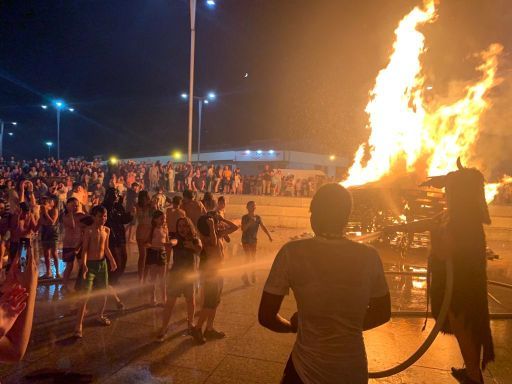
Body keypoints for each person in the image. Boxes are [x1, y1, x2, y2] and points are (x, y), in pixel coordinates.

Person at [259, 183, 391, 384]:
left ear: (314, 216)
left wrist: (295, 326)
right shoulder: (369, 256)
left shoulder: (292, 253)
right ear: (347, 217)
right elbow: (382, 312)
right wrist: (347, 325)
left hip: (304, 371)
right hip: (352, 371)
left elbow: (266, 316)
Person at [387, 160, 493, 384]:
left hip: (462, 286)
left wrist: (436, 234)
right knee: (465, 327)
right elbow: (429, 221)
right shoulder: (459, 213)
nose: (447, 194)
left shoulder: (463, 219)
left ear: (460, 193)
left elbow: (445, 252)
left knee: (465, 327)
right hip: (460, 284)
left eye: (450, 190)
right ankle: (472, 372)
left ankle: (474, 376)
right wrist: (399, 227)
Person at [190, 212, 238, 344]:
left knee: (215, 301)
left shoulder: (218, 233)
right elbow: (213, 242)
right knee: (209, 302)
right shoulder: (205, 238)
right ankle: (198, 328)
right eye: (214, 221)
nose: (217, 223)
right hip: (210, 274)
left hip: (219, 272)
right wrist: (211, 226)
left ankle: (209, 329)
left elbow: (235, 228)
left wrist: (223, 219)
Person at [74, 205, 118, 338]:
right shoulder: (89, 231)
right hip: (90, 265)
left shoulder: (107, 230)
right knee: (85, 294)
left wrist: (111, 260)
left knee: (103, 292)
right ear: (94, 217)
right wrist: (84, 265)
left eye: (105, 216)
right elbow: (85, 249)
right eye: (100, 216)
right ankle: (78, 324)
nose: (103, 219)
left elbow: (106, 248)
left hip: (102, 264)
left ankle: (100, 315)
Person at [158, 217, 202, 341]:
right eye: (180, 226)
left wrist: (192, 246)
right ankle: (163, 328)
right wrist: (170, 244)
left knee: (190, 300)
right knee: (170, 303)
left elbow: (199, 248)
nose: (182, 228)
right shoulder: (176, 238)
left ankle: (190, 323)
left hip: (190, 276)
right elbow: (174, 242)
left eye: (185, 226)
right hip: (176, 276)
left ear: (190, 227)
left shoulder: (195, 239)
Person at [0, 242, 38, 362]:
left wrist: (7, 290)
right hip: (20, 243)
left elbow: (13, 350)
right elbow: (14, 351)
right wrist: (30, 285)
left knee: (24, 254)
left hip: (22, 244)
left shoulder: (24, 243)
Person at [102, 188, 133, 308]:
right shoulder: (105, 207)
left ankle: (115, 278)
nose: (116, 197)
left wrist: (129, 214)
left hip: (120, 236)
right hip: (111, 238)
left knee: (123, 259)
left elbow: (124, 219)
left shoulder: (119, 206)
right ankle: (111, 281)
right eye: (114, 195)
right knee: (115, 260)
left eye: (117, 195)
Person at [144, 210, 174, 306]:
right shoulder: (152, 229)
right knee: (153, 278)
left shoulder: (165, 228)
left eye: (164, 218)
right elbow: (146, 243)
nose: (163, 220)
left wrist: (168, 258)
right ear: (155, 219)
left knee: (162, 279)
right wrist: (150, 245)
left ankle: (164, 299)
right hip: (153, 253)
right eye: (161, 218)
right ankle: (152, 299)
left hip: (162, 253)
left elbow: (168, 243)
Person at [241, 201, 272, 285]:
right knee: (248, 257)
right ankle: (245, 275)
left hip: (253, 240)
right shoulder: (244, 217)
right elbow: (243, 229)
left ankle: (252, 274)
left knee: (253, 258)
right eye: (251, 206)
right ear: (247, 207)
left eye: (254, 206)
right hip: (246, 240)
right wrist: (249, 223)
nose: (253, 207)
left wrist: (269, 235)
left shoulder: (258, 217)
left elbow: (263, 227)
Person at [61, 197, 86, 291]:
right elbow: (72, 225)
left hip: (79, 244)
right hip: (69, 245)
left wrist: (85, 210)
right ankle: (64, 285)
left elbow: (90, 222)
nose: (75, 207)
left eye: (77, 205)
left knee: (82, 265)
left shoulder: (81, 215)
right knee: (69, 266)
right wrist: (70, 212)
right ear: (67, 206)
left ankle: (81, 285)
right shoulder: (65, 216)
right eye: (73, 205)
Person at [38, 196, 60, 279]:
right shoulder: (42, 212)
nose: (44, 204)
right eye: (43, 203)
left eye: (46, 202)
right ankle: (48, 272)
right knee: (46, 254)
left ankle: (57, 272)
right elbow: (42, 222)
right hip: (45, 233)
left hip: (53, 233)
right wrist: (43, 213)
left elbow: (52, 222)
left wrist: (46, 213)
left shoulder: (55, 210)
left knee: (54, 253)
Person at [135, 190, 153, 282]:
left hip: (150, 231)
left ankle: (144, 277)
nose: (146, 199)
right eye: (144, 197)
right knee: (142, 255)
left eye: (147, 197)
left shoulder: (152, 206)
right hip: (141, 231)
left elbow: (154, 217)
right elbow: (138, 217)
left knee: (148, 256)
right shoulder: (138, 206)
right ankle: (140, 277)